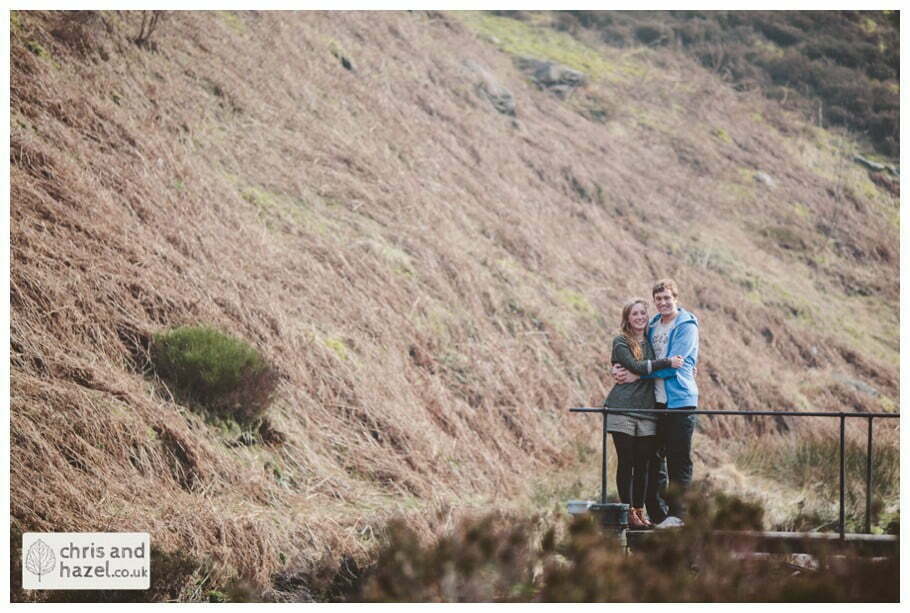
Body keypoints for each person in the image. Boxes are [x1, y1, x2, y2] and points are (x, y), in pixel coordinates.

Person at [613, 278, 699, 528]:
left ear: (676, 299)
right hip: (655, 401)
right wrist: (618, 368)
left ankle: (678, 514)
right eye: (658, 299)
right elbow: (639, 356)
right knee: (653, 459)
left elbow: (675, 364)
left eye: (667, 298)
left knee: (678, 458)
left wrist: (638, 374)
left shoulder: (686, 325)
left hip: (680, 400)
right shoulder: (652, 325)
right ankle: (658, 513)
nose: (663, 302)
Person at [604, 298, 684, 529]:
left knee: (643, 464)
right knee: (626, 461)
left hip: (646, 410)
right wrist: (667, 362)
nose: (639, 317)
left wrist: (685, 365)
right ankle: (627, 511)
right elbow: (637, 367)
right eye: (634, 314)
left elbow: (645, 367)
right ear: (627, 318)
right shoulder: (621, 341)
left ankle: (639, 511)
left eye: (642, 313)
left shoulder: (649, 341)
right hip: (623, 409)